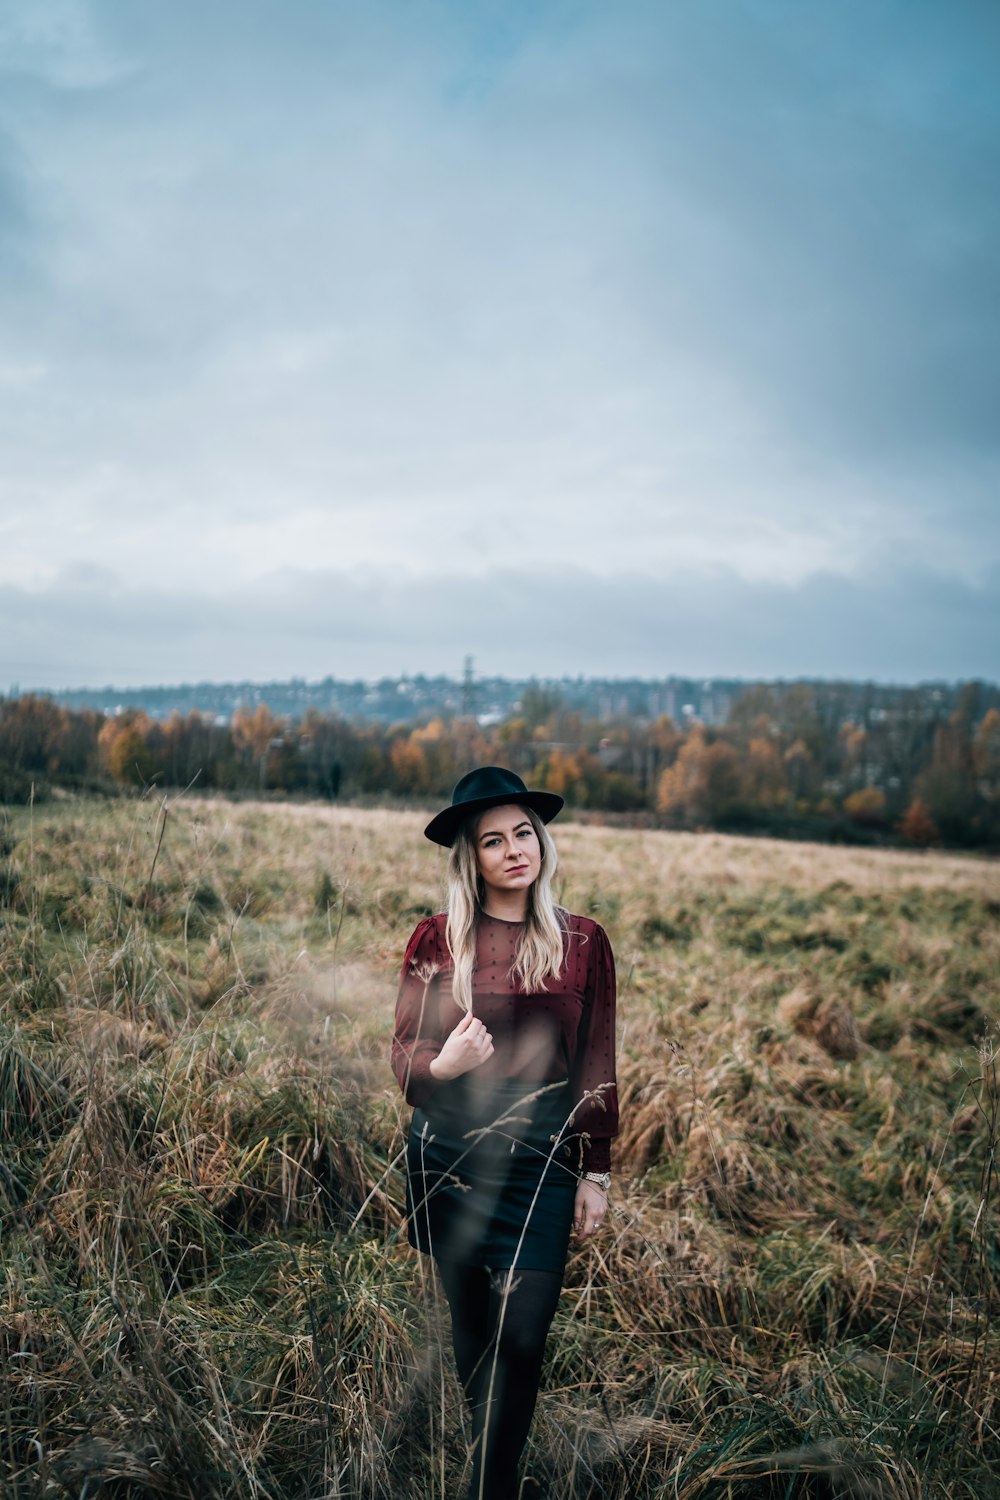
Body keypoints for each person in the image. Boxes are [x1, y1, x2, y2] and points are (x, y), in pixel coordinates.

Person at [391, 766, 619, 1500]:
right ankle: (489, 1457)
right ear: (472, 857)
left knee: (523, 1338)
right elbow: (402, 1056)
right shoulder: (435, 939)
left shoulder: (581, 941)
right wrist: (444, 1063)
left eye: (524, 832)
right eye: (495, 840)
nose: (515, 849)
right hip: (448, 1156)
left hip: (542, 1159)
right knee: (476, 1333)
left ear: (541, 842)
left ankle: (494, 1485)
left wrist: (597, 1170)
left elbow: (597, 1061)